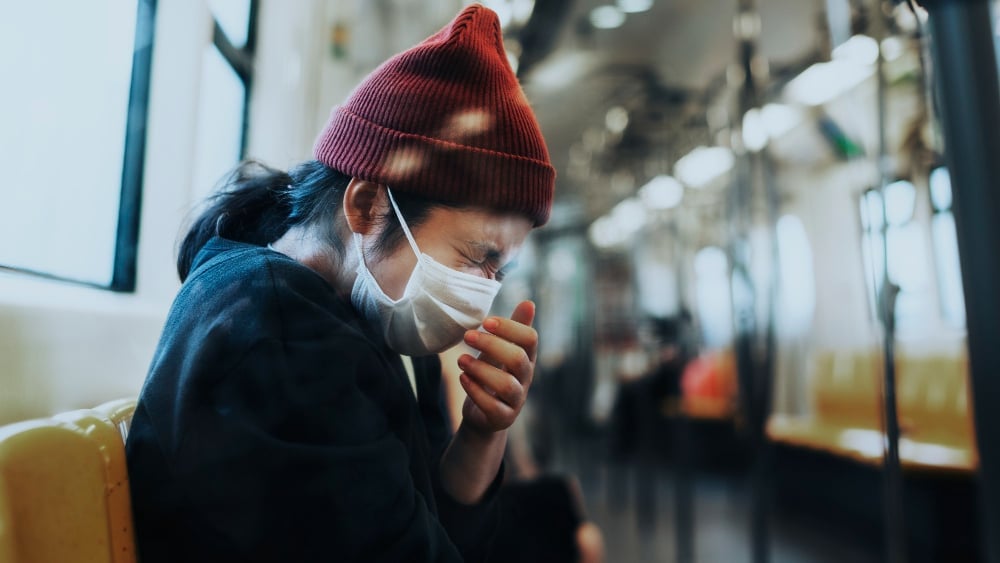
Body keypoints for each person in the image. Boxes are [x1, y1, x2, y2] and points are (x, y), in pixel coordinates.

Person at [124, 5, 555, 562]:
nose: (482, 290)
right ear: (368, 205)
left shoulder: (370, 321)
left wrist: (482, 433)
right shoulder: (279, 333)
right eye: (476, 256)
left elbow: (431, 530)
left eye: (499, 271)